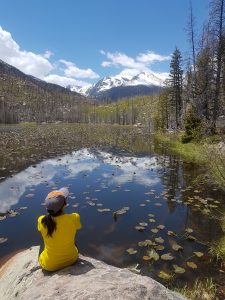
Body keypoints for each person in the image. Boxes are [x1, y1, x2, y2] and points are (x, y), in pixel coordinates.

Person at [37, 187, 82, 271]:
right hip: (72, 259)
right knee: (71, 239)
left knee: (45, 238)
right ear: (65, 204)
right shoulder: (74, 217)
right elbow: (78, 227)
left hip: (49, 266)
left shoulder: (41, 220)